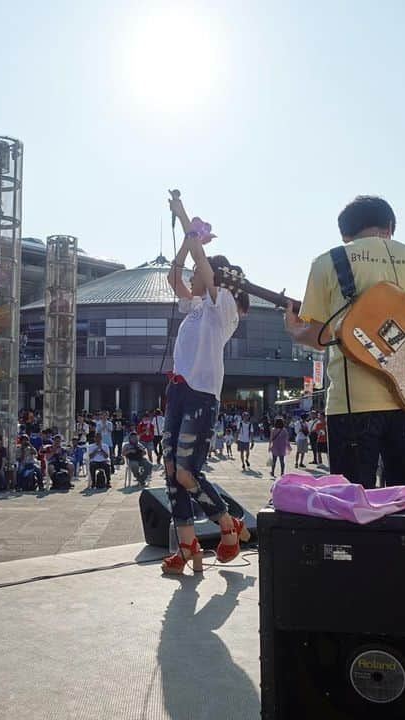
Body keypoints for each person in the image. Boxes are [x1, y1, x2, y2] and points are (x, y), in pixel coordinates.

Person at [284, 195, 405, 496]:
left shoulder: (329, 261)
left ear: (345, 234)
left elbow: (320, 336)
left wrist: (295, 331)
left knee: (352, 504)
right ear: (390, 226)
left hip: (353, 403)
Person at [160, 190, 252, 575]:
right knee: (170, 470)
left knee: (186, 473)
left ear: (213, 278)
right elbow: (173, 275)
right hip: (178, 390)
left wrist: (183, 215)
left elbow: (201, 265)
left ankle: (229, 526)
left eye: (201, 273)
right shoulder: (196, 307)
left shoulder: (222, 307)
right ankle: (187, 548)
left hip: (200, 394)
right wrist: (185, 242)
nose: (193, 278)